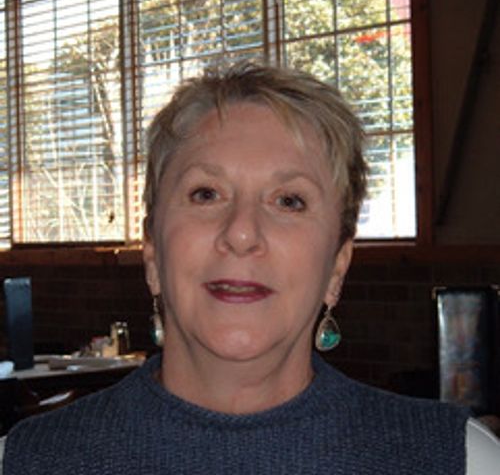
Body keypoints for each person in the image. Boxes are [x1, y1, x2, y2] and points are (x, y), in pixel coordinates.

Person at [2, 62, 499, 474]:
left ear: (337, 266)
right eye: (206, 193)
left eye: (289, 200)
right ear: (152, 252)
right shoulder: (23, 461)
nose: (241, 232)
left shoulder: (461, 460)